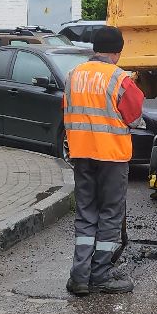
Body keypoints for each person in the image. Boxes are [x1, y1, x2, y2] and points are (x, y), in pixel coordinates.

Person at [64, 26, 145, 297]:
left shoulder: (73, 75)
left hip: (81, 154)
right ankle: (100, 275)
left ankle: (79, 276)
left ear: (94, 48)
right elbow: (133, 115)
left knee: (86, 212)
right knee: (111, 213)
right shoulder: (119, 78)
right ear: (117, 52)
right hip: (111, 155)